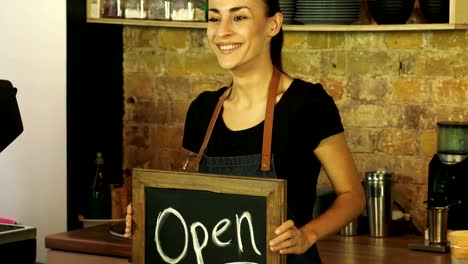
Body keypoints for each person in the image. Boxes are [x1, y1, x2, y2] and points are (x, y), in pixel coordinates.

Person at [125, 0, 366, 262]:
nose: (222, 31)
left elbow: (352, 196)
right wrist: (150, 211)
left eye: (238, 18)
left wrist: (307, 235)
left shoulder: (307, 105)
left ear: (273, 25)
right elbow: (192, 201)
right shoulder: (203, 110)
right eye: (215, 18)